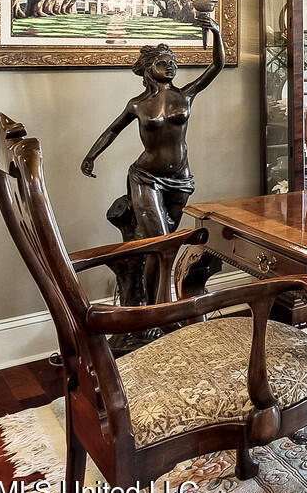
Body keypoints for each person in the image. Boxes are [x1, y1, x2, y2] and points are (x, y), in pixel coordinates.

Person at [81, 18, 224, 325]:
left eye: (172, 62)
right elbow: (112, 130)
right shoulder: (137, 105)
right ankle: (163, 312)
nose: (170, 67)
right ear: (148, 69)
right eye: (162, 62)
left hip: (181, 180)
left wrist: (215, 33)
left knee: (162, 244)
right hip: (145, 178)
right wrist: (91, 156)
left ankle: (147, 307)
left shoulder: (185, 94)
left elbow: (216, 66)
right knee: (161, 244)